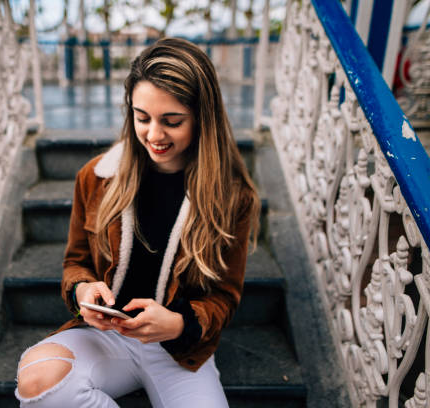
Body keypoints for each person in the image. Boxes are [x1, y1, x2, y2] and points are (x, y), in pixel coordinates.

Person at [15, 37, 260, 408]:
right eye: (142, 117)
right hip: (105, 339)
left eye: (172, 121)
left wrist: (178, 324)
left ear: (202, 118)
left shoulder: (232, 196)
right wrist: (84, 293)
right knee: (38, 381)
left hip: (178, 349)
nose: (154, 135)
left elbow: (224, 296)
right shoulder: (95, 177)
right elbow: (75, 263)